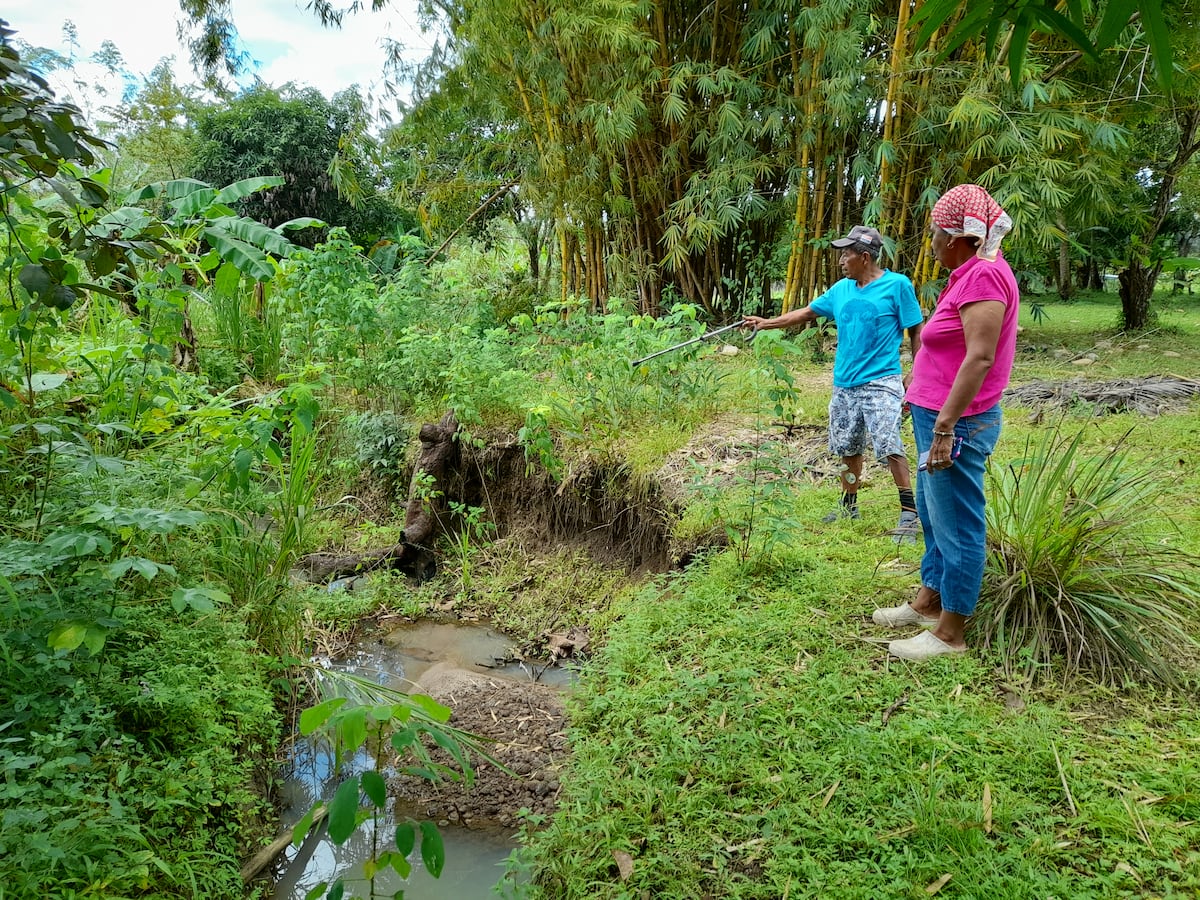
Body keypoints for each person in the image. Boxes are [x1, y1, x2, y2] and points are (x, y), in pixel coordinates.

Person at [873, 184, 1020, 661]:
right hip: (935, 411)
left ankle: (950, 632)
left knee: (956, 521)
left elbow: (979, 358)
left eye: (933, 234)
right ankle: (929, 601)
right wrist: (917, 398)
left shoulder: (983, 278)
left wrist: (944, 427)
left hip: (957, 423)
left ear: (955, 236)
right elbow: (949, 348)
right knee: (935, 515)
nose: (930, 243)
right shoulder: (969, 273)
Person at [744, 225, 925, 543]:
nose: (841, 260)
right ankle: (848, 504)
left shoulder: (898, 286)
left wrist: (916, 371)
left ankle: (909, 513)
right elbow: (805, 314)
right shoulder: (841, 289)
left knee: (888, 443)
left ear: (864, 257)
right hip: (844, 383)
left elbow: (916, 331)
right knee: (848, 447)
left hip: (881, 380)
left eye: (846, 254)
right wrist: (766, 322)